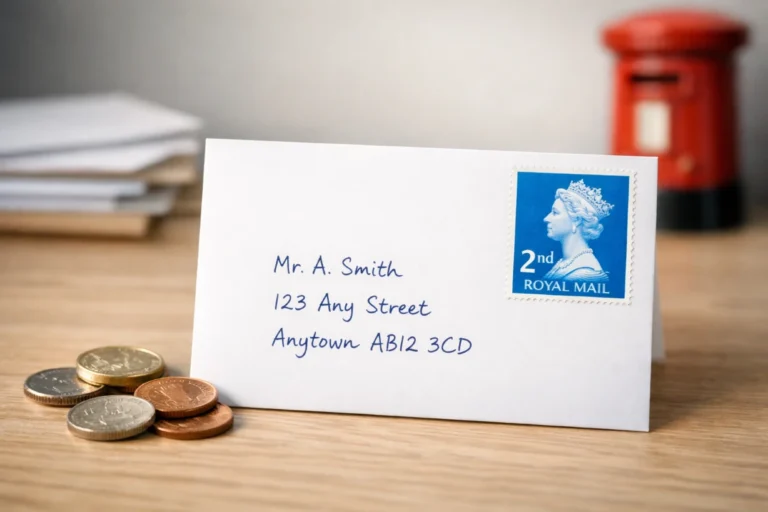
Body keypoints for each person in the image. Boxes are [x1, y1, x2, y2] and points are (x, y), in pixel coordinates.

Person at [542, 179, 613, 282]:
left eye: (555, 212)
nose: (546, 218)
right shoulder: (563, 263)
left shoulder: (586, 272)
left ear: (577, 220)